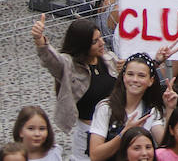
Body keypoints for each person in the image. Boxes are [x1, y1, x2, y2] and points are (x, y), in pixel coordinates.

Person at [31, 14, 119, 161]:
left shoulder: (109, 59)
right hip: (86, 135)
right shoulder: (69, 65)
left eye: (101, 38)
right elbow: (51, 59)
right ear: (82, 45)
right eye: (95, 41)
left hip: (114, 130)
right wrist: (39, 40)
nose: (102, 43)